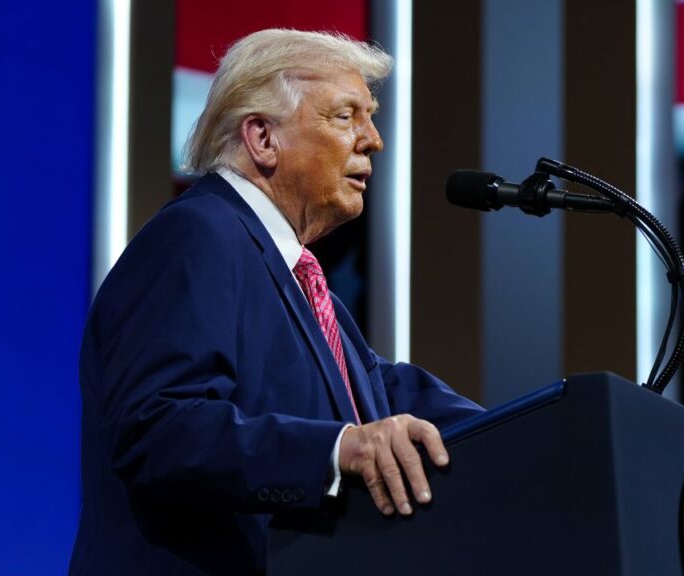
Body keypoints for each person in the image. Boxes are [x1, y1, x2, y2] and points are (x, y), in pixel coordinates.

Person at [68, 29, 484, 575]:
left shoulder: (299, 281)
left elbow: (380, 391)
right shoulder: (198, 235)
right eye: (346, 116)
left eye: (371, 117)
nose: (373, 140)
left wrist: (543, 428)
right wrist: (337, 450)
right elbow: (159, 427)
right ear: (263, 138)